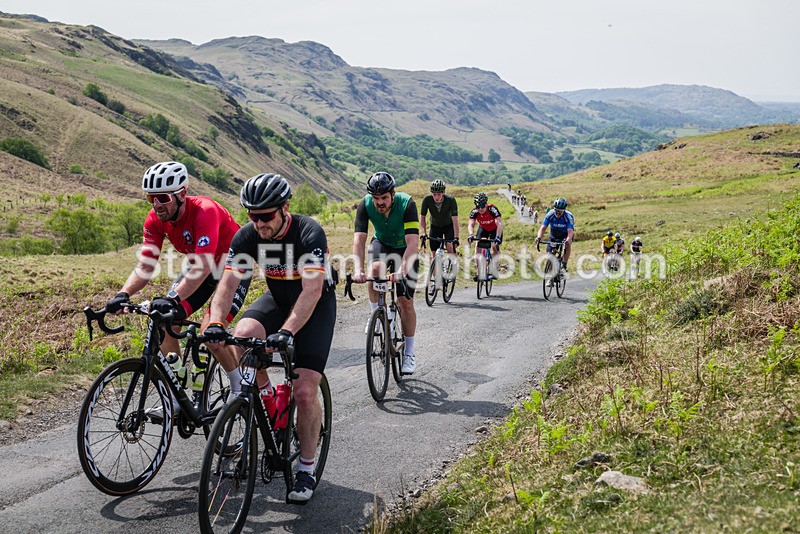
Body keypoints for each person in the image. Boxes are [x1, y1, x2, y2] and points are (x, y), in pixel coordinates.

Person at [203, 173, 337, 503]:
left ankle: (306, 468)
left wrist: (287, 332)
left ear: (284, 208)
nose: (259, 223)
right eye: (253, 215)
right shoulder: (248, 236)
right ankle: (266, 396)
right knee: (240, 337)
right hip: (278, 301)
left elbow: (312, 290)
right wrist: (216, 320)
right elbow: (227, 284)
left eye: (266, 216)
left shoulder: (308, 233)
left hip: (314, 308)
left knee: (304, 392)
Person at [104, 161, 249, 416]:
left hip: (232, 267)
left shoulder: (206, 210)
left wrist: (172, 297)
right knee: (164, 320)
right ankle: (175, 395)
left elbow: (204, 266)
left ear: (182, 194)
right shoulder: (155, 219)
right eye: (151, 198)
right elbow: (147, 265)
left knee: (210, 333)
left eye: (163, 197)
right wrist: (123, 294)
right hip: (199, 267)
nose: (157, 204)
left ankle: (240, 391)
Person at [352, 171, 420, 374]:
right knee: (374, 270)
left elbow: (413, 243)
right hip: (381, 243)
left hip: (405, 249)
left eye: (384, 198)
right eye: (376, 198)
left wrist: (402, 270)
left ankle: (409, 353)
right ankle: (377, 315)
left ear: (393, 194)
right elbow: (359, 240)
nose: (379, 202)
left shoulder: (407, 204)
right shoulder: (365, 205)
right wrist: (357, 269)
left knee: (405, 302)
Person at [467, 192, 503, 280]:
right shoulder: (475, 212)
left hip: (495, 229)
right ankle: (480, 272)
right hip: (483, 229)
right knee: (477, 248)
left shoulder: (492, 209)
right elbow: (471, 224)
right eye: (478, 206)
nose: (480, 209)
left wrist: (498, 237)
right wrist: (471, 235)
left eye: (482, 206)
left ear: (486, 204)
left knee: (494, 246)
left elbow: (499, 223)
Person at [419, 179, 460, 257]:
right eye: (434, 194)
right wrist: (423, 233)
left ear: (443, 192)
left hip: (448, 226)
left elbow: (455, 220)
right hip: (435, 227)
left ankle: (453, 265)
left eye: (438, 194)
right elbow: (422, 218)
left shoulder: (450, 200)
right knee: (434, 252)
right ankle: (435, 267)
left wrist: (456, 237)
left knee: (450, 246)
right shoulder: (427, 200)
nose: (436, 197)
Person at [535, 198, 574, 271]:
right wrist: (539, 237)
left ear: (564, 210)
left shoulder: (568, 217)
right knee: (549, 256)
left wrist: (568, 240)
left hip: (565, 235)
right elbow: (542, 228)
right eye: (556, 210)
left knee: (568, 245)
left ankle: (564, 265)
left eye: (560, 211)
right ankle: (550, 276)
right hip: (554, 235)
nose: (558, 213)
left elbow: (570, 232)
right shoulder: (550, 214)